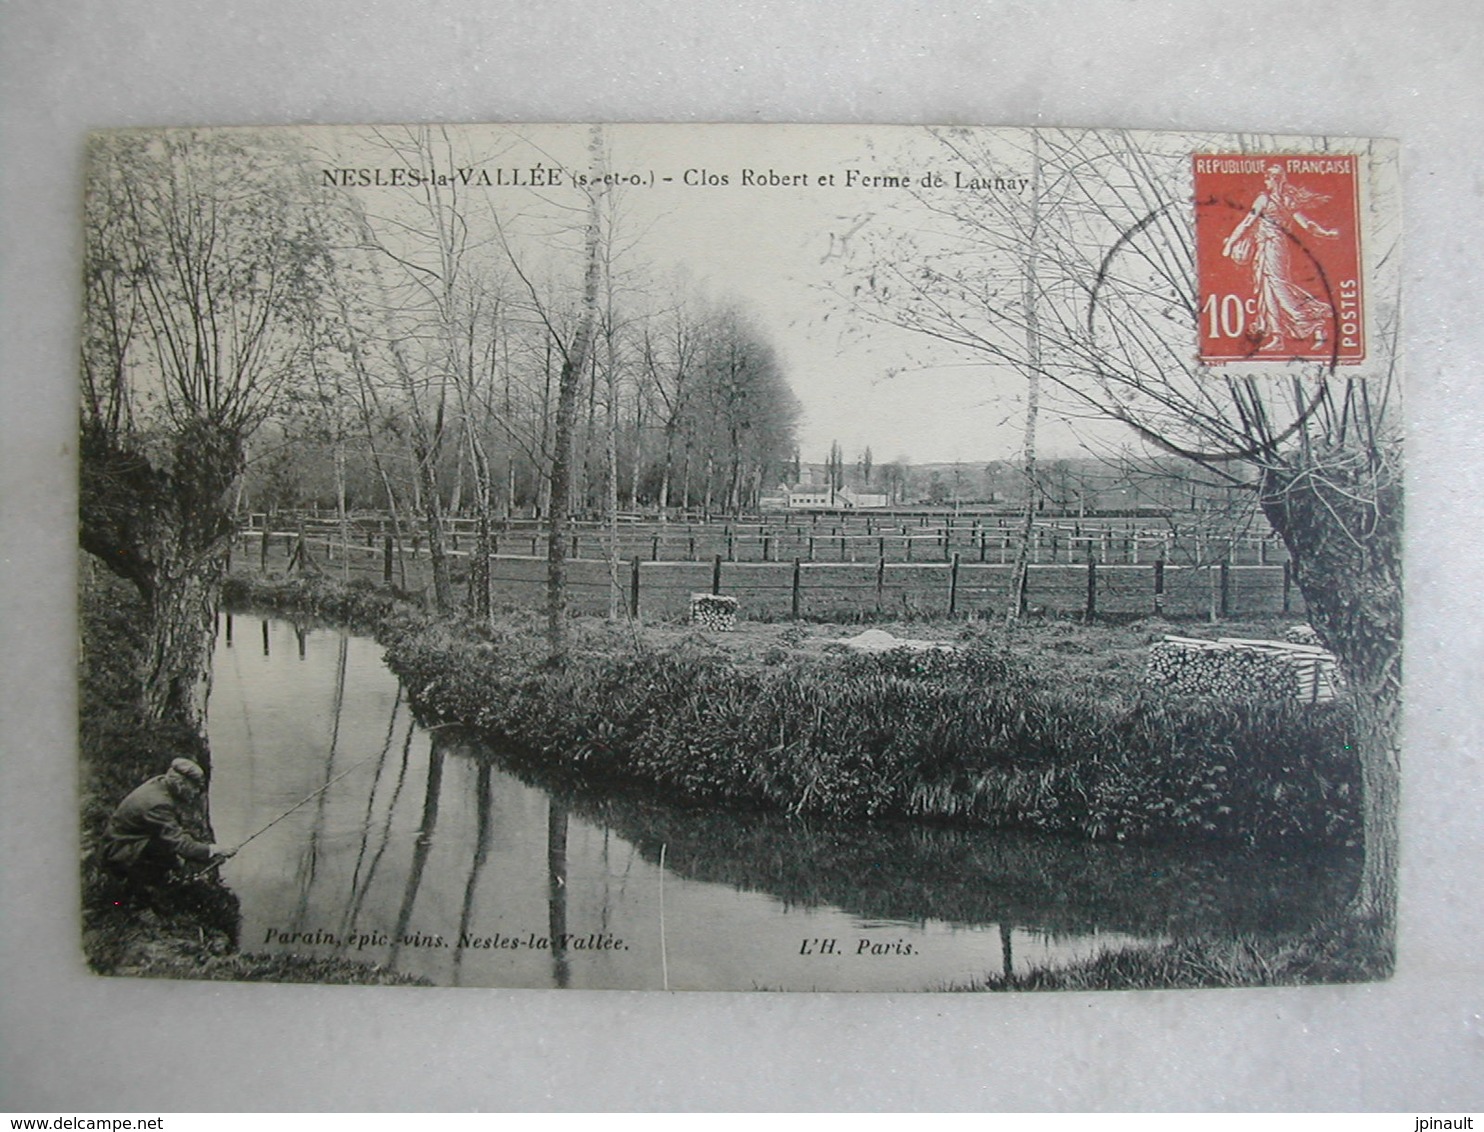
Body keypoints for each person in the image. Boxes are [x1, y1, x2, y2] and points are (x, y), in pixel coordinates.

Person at [1222, 164, 1340, 352]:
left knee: (1278, 287)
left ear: (1274, 180)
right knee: (1267, 290)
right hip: (1269, 248)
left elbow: (1247, 223)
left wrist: (1230, 244)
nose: (1266, 182)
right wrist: (1325, 233)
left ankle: (1314, 323)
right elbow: (1308, 224)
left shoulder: (1265, 199)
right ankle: (1277, 337)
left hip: (1272, 247)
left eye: (1268, 179)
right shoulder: (1287, 200)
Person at [101, 758, 235, 888]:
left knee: (171, 846)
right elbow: (181, 845)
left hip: (123, 841)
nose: (196, 793)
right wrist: (216, 849)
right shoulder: (158, 805)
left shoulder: (161, 782)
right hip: (121, 853)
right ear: (181, 784)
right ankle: (144, 888)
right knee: (170, 855)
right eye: (195, 787)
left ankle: (164, 877)